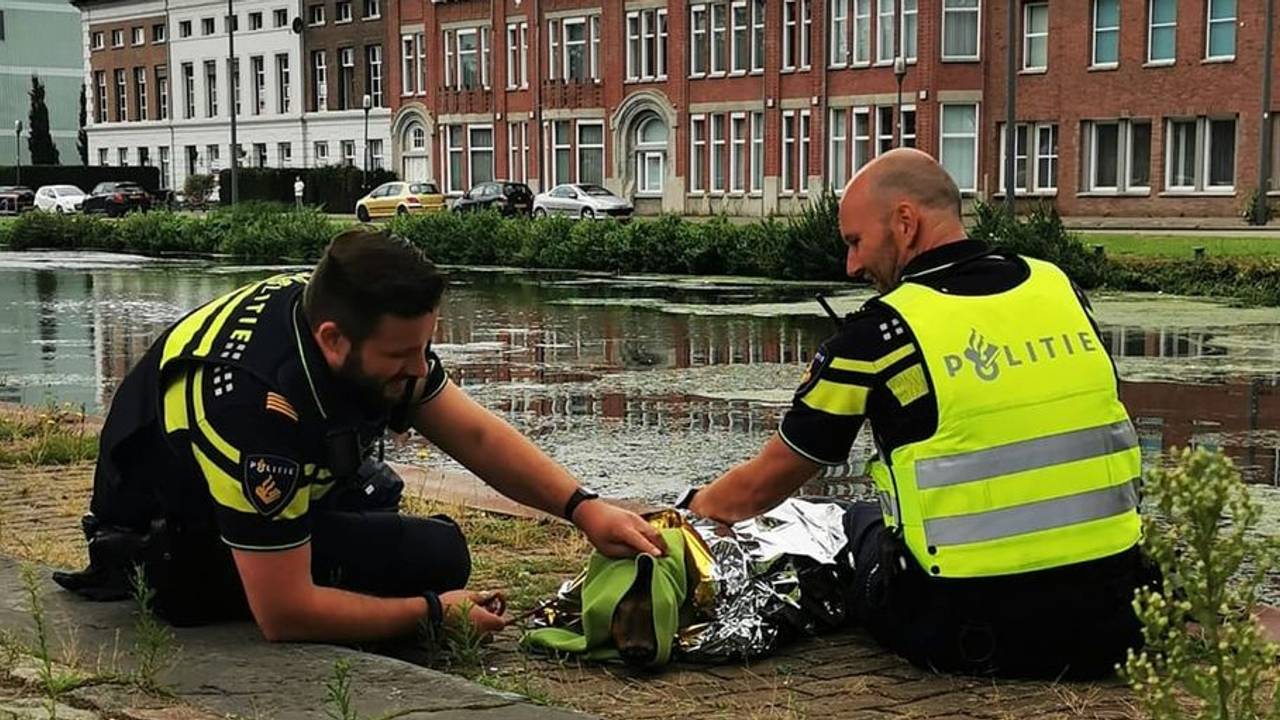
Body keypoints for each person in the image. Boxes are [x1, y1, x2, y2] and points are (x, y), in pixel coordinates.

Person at [55, 227, 665, 644]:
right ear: (332, 340)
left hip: (229, 498)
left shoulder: (339, 314)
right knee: (437, 559)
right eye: (403, 354)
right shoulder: (254, 405)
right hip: (163, 544)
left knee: (385, 503)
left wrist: (583, 510)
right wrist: (431, 616)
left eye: (425, 346)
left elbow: (473, 434)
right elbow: (284, 615)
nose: (421, 368)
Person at [684, 148, 1152, 679]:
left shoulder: (879, 334)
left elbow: (760, 487)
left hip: (969, 634)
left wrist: (683, 513)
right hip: (1117, 623)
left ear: (905, 223)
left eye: (856, 242)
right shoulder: (1059, 288)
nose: (851, 265)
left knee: (851, 522)